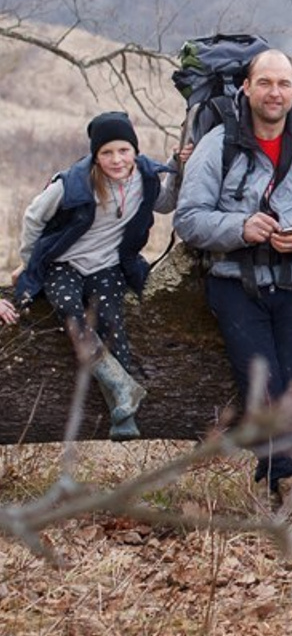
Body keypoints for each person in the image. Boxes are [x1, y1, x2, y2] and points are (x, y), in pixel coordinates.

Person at [174, 48, 292, 512]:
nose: (275, 93)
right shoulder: (218, 144)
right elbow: (188, 218)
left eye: (284, 84)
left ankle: (275, 481)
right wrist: (238, 228)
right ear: (247, 88)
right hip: (234, 281)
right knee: (262, 383)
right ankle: (287, 481)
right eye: (266, 83)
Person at [11, 111, 176, 439]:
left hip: (108, 266)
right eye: (107, 153)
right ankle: (122, 386)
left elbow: (167, 202)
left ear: (135, 151)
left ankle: (123, 414)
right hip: (64, 263)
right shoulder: (74, 183)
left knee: (111, 319)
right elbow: (33, 218)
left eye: (124, 151)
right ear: (95, 156)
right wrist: (31, 264)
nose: (116, 160)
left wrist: (178, 163)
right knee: (70, 309)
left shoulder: (144, 178)